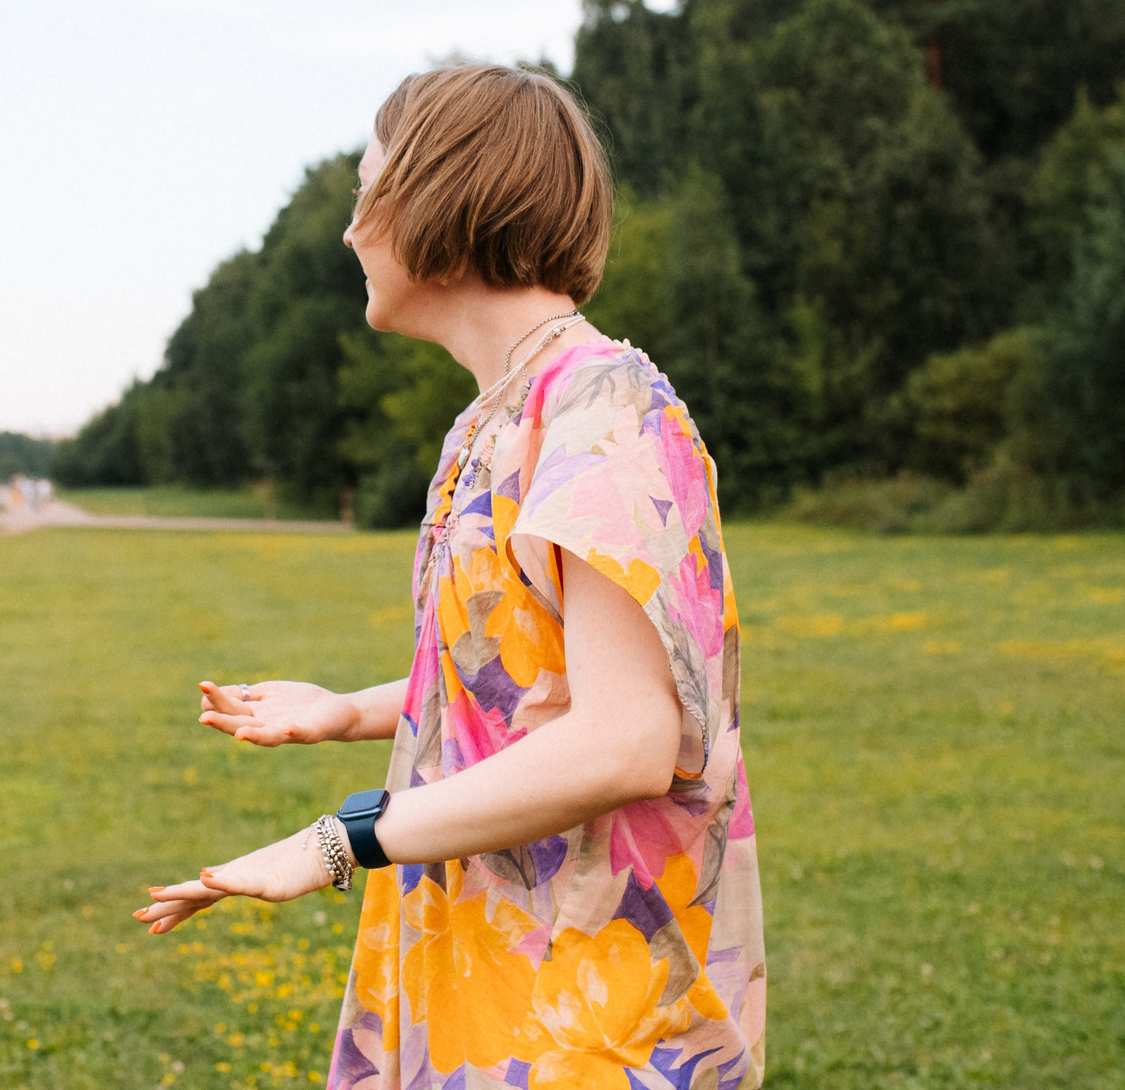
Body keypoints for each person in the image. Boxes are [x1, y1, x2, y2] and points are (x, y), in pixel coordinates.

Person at [136, 64, 767, 1089]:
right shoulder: (494, 418)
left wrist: (341, 838)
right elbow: (540, 684)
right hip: (483, 968)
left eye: (363, 190)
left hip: (583, 1009)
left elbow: (626, 737)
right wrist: (346, 710)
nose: (349, 231)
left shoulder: (602, 408)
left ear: (441, 194)